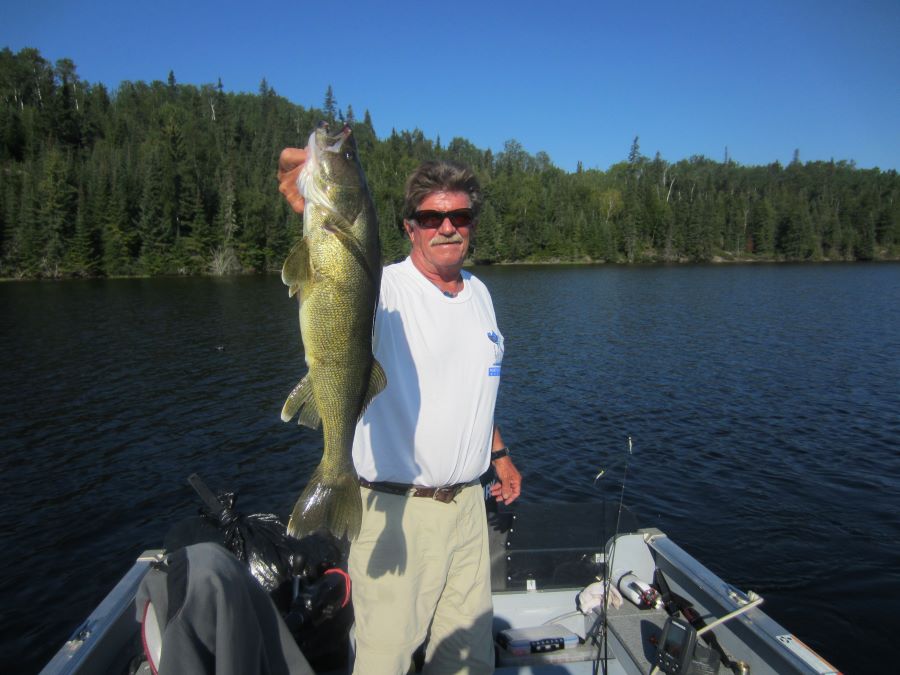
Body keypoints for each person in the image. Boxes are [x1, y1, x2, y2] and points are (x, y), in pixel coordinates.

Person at [278, 147, 522, 674]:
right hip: (398, 510)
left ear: (473, 225)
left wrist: (499, 454)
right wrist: (311, 208)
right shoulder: (382, 290)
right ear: (410, 227)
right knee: (383, 663)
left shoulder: (480, 294)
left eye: (460, 216)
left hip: (468, 513)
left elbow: (473, 388)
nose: (448, 228)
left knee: (469, 663)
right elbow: (330, 278)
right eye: (432, 217)